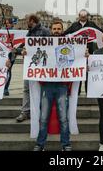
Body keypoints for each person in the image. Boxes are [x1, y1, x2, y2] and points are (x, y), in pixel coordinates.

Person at [29, 21, 73, 151]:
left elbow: (76, 60)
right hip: (47, 84)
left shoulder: (69, 44)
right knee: (43, 117)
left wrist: (84, 54)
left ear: (62, 30)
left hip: (62, 85)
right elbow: (35, 58)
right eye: (54, 28)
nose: (56, 31)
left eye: (59, 29)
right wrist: (27, 53)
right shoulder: (44, 43)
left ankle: (66, 144)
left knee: (63, 118)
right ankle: (40, 144)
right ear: (51, 30)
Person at [16, 14, 50, 122]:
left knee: (40, 89)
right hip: (31, 65)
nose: (26, 22)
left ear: (32, 21)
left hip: (41, 65)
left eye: (27, 21)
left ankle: (39, 111)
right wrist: (18, 50)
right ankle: (25, 111)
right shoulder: (29, 32)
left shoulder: (44, 31)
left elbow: (51, 46)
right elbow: (24, 47)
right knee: (26, 88)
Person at [64, 9, 103, 95]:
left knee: (88, 72)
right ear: (79, 16)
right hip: (76, 53)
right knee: (77, 72)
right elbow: (65, 34)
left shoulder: (92, 25)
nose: (83, 18)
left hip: (89, 52)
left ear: (87, 16)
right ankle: (76, 92)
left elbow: (101, 32)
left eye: (84, 16)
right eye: (81, 16)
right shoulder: (74, 25)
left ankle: (88, 91)